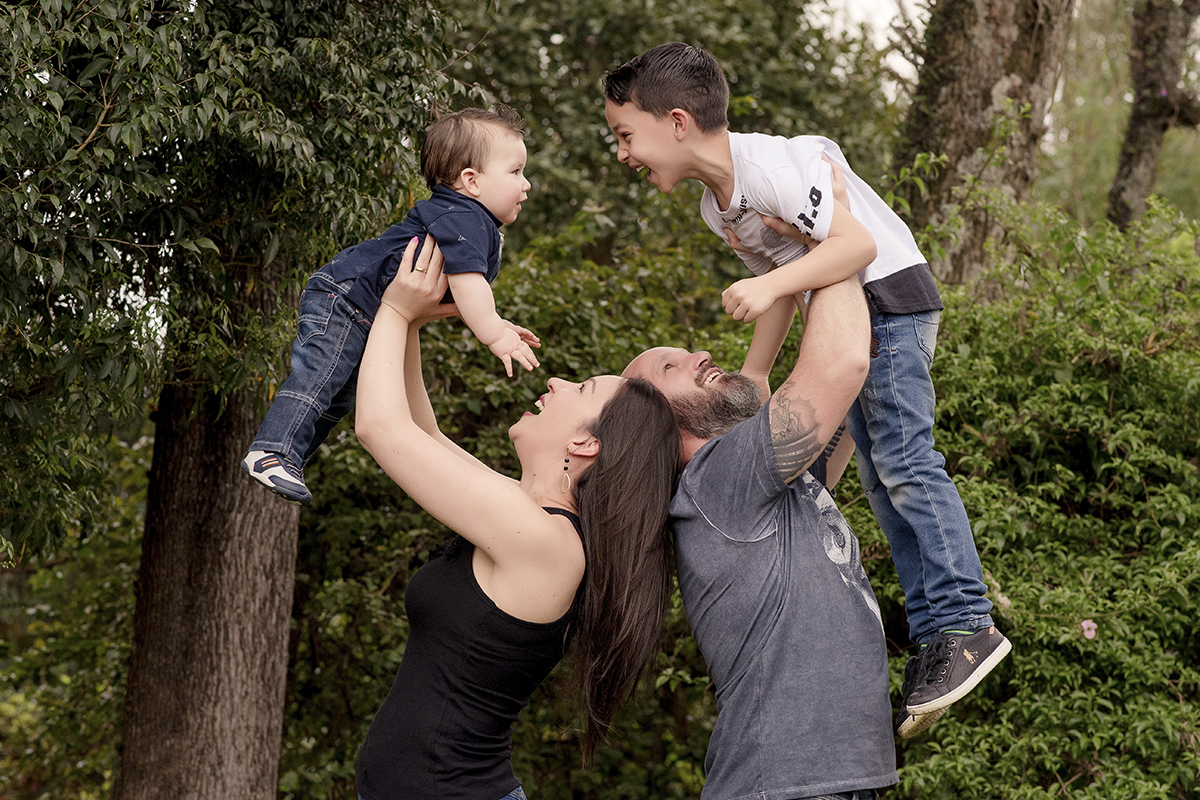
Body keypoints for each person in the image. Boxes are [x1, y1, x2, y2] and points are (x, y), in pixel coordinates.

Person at [604, 42, 1009, 737]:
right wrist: (756, 373)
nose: (623, 154)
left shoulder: (770, 169)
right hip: (855, 306)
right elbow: (791, 284)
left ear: (676, 121)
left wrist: (767, 284)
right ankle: (937, 631)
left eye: (624, 135)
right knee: (884, 483)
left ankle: (965, 621)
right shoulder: (717, 207)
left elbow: (849, 250)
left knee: (907, 463)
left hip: (889, 298)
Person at [352, 236, 681, 800]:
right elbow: (422, 433)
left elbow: (380, 428)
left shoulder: (547, 543)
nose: (554, 382)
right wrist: (410, 324)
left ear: (585, 443)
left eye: (579, 388)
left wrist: (396, 309)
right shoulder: (528, 518)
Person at [623, 275, 894, 800]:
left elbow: (831, 388)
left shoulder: (761, 483)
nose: (700, 353)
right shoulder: (716, 479)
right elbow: (842, 364)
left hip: (818, 783)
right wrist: (816, 238)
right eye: (670, 366)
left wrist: (786, 275)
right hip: (788, 787)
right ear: (650, 422)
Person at [242, 105, 540, 505]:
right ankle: (272, 451)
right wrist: (495, 335)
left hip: (362, 308)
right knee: (319, 378)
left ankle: (290, 456)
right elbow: (470, 286)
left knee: (337, 395)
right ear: (471, 180)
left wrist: (496, 323)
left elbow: (466, 289)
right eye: (516, 171)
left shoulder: (470, 219)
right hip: (347, 296)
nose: (527, 184)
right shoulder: (465, 216)